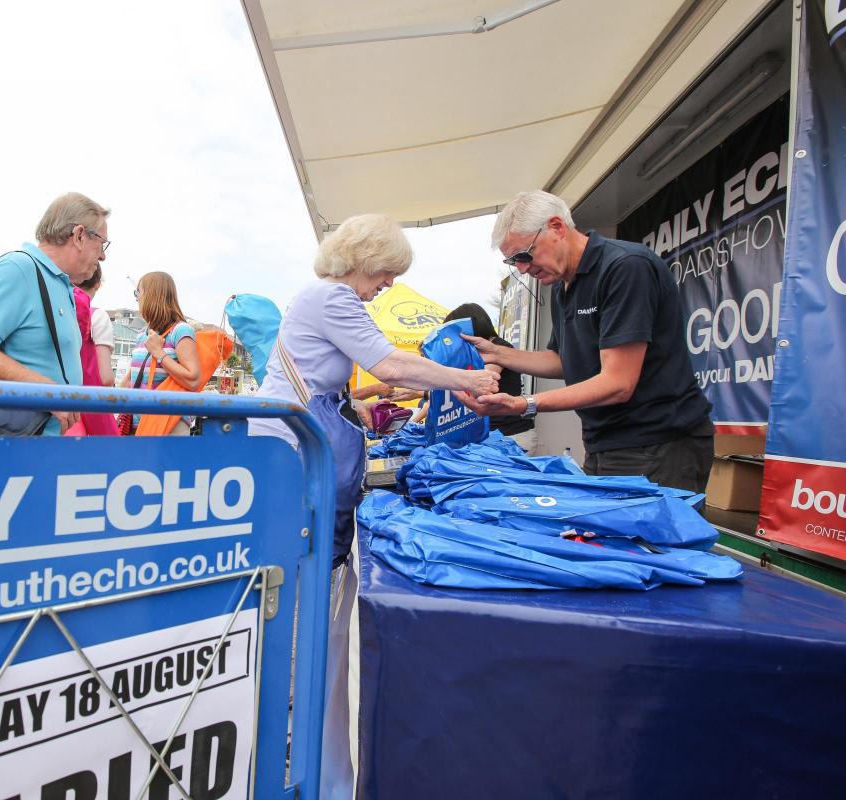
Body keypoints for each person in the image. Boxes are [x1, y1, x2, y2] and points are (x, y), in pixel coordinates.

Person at [248, 214, 496, 800]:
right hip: (295, 459)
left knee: (311, 595)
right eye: (386, 272)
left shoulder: (325, 301)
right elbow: (391, 363)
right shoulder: (334, 297)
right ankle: (298, 738)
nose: (387, 284)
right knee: (305, 600)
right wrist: (467, 379)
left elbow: (345, 376)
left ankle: (302, 733)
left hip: (302, 456)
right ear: (361, 257)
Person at [460, 190, 713, 492]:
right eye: (513, 261)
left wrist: (523, 404)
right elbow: (563, 360)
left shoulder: (625, 267)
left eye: (525, 254)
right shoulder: (563, 286)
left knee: (653, 539)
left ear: (556, 227)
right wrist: (497, 353)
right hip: (604, 442)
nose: (523, 269)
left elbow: (618, 383)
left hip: (658, 442)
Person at [0, 192, 109, 435]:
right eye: (101, 243)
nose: (102, 255)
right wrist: (47, 392)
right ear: (78, 236)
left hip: (36, 443)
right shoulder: (18, 269)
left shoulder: (59, 283)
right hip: (8, 445)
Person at [443, 302, 536, 452]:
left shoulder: (499, 347)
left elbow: (481, 380)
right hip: (491, 434)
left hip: (511, 435)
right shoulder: (475, 352)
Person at [119, 271, 202, 435]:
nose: (136, 297)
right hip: (138, 426)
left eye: (138, 292)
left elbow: (193, 379)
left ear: (152, 295)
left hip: (168, 426)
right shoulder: (142, 334)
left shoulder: (180, 331)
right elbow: (132, 378)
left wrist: (159, 353)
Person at [71, 265, 119, 435]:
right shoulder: (98, 316)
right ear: (98, 284)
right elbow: (106, 378)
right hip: (91, 404)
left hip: (61, 401)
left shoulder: (61, 312)